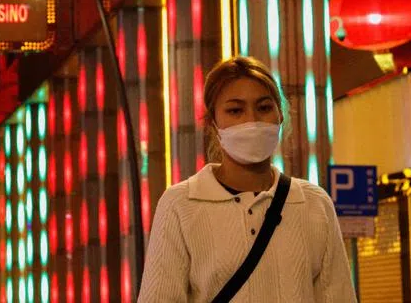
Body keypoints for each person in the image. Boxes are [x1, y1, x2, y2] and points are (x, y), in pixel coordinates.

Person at [138, 55, 357, 302]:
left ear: (280, 116)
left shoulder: (314, 204)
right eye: (235, 110)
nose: (251, 120)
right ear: (213, 124)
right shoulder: (181, 204)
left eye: (264, 108)